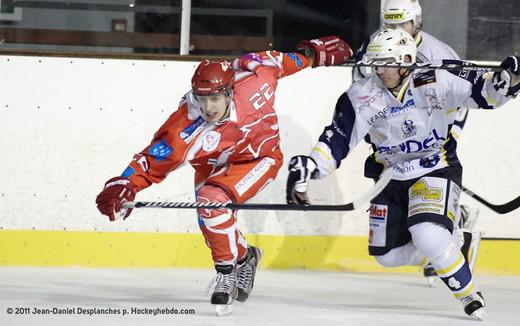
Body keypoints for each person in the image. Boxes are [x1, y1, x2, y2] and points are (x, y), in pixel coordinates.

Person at [95, 39, 352, 315]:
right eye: (202, 99)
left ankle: (226, 273)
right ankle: (245, 256)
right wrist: (124, 182)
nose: (208, 108)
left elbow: (280, 62)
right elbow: (151, 161)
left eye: (215, 99)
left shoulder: (256, 79)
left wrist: (312, 55)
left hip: (259, 158)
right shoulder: (186, 124)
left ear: (230, 92)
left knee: (211, 200)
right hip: (211, 167)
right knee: (213, 224)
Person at [286, 28, 520, 320]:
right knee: (387, 256)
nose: (378, 70)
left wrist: (509, 79)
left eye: (385, 63)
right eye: (375, 63)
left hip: (434, 167)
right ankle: (458, 240)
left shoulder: (438, 78)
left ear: (406, 61)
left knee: (427, 235)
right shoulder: (362, 95)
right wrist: (310, 167)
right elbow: (337, 139)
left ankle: (469, 295)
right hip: (389, 176)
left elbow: (486, 94)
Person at [352, 0, 478, 284]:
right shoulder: (376, 45)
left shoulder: (440, 54)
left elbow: (460, 98)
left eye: (403, 24)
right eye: (390, 24)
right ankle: (452, 240)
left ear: (417, 22)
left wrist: (448, 136)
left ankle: (445, 234)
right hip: (393, 149)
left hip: (431, 140)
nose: (398, 30)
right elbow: (364, 89)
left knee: (426, 225)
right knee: (386, 253)